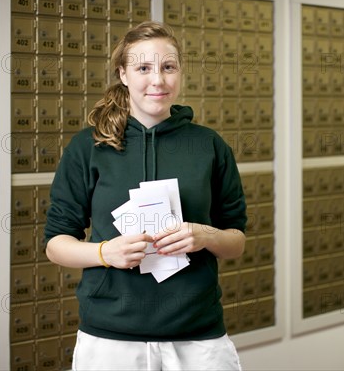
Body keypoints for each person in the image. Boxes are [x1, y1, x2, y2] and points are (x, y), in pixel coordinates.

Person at [44, 21, 247, 370]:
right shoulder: (88, 147)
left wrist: (205, 235)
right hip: (110, 338)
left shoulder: (209, 145)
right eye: (143, 68)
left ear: (179, 72)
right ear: (123, 74)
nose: (158, 80)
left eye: (169, 67)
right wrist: (106, 252)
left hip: (197, 335)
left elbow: (236, 241)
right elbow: (56, 244)